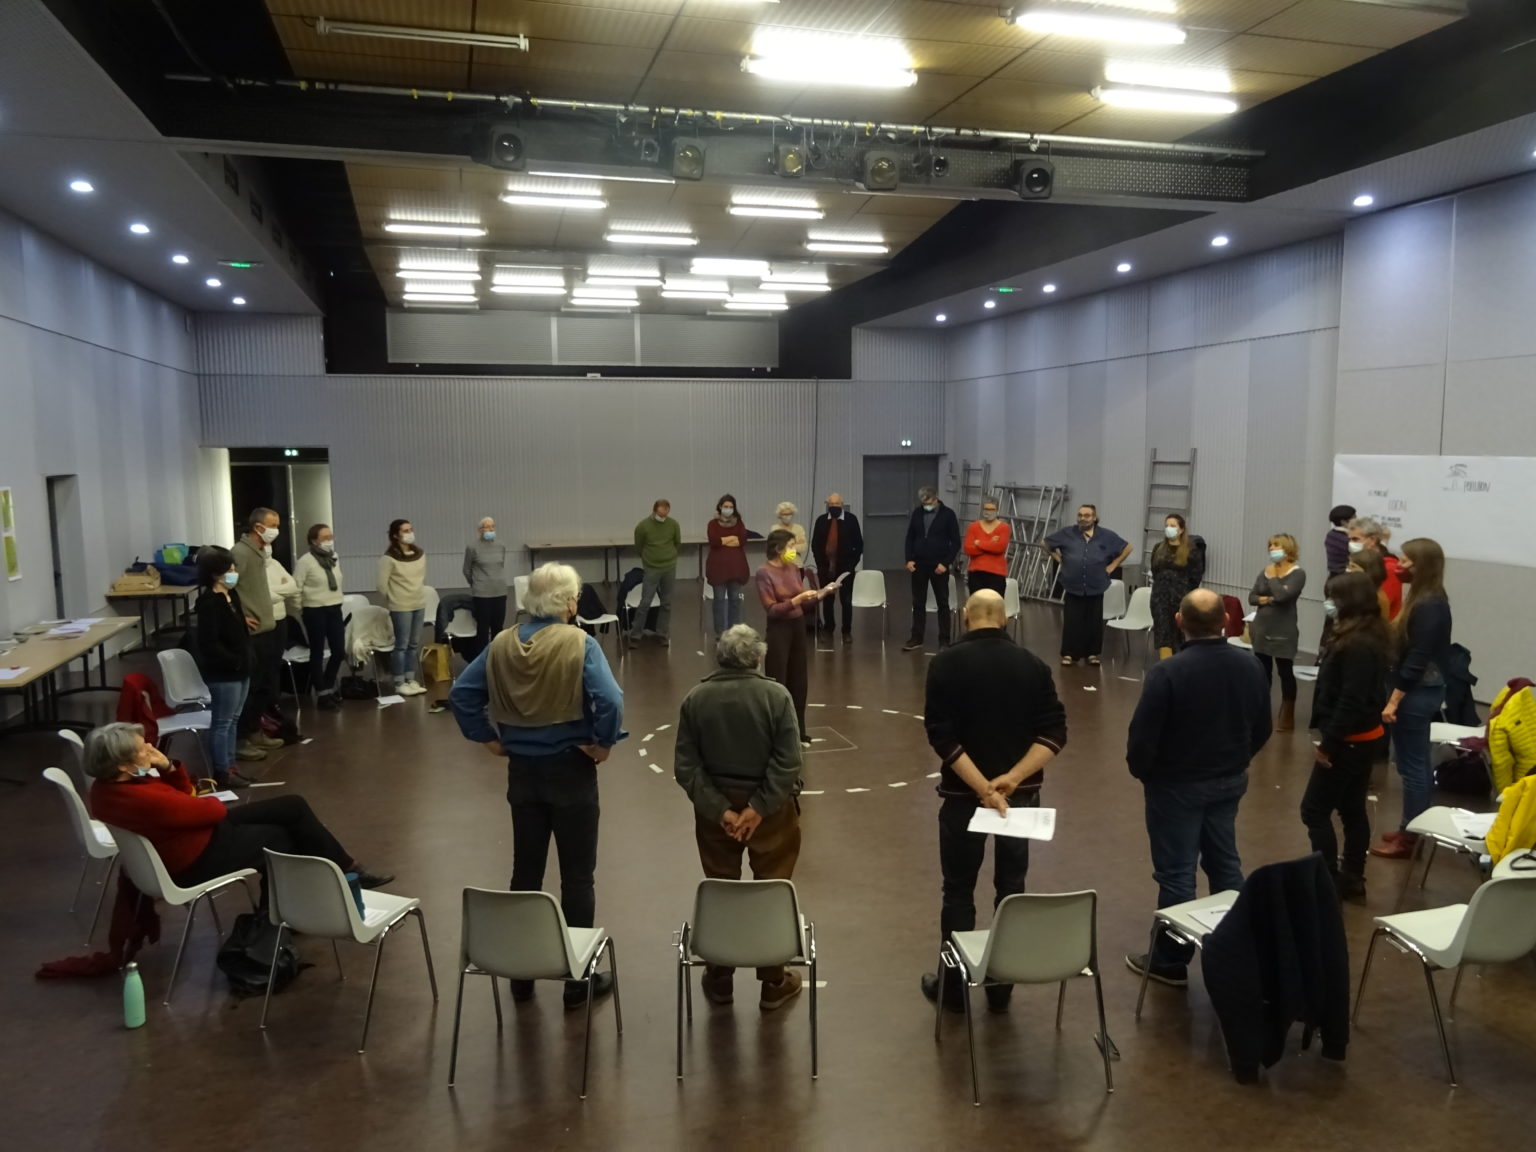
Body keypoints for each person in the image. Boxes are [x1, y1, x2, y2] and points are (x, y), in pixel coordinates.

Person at [449, 562, 624, 1007]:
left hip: (522, 772)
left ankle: (521, 973)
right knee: (577, 878)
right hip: (571, 769)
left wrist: (487, 737)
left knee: (525, 872)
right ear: (570, 603)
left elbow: (462, 694)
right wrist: (603, 743)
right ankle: (577, 981)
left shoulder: (501, 643)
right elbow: (609, 699)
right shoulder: (580, 643)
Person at [920, 590, 1066, 1014]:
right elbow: (1055, 732)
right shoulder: (1033, 666)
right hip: (1019, 801)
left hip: (962, 798)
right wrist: (1012, 780)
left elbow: (941, 736)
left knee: (958, 890)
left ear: (966, 616)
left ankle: (953, 987)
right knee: (1012, 888)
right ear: (1005, 619)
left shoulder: (945, 664)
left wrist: (982, 788)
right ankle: (1002, 985)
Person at [1125, 588, 1272, 987]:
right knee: (1225, 864)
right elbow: (1262, 728)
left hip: (1176, 786)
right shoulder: (1250, 666)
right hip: (1229, 781)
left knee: (1177, 874)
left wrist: (1147, 774)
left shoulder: (1168, 673)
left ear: (1178, 622)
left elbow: (1142, 740)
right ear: (1225, 621)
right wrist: (1237, 760)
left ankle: (1171, 960)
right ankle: (1236, 948)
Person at [86, 722, 389, 896]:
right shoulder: (144, 798)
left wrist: (167, 767)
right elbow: (207, 808)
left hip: (189, 840)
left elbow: (187, 799)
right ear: (123, 764)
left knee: (292, 807)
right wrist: (188, 791)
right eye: (144, 749)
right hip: (196, 857)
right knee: (283, 836)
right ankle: (288, 912)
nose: (152, 750)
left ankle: (341, 874)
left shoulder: (104, 790)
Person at [674, 625, 806, 1011]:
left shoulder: (696, 699)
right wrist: (758, 808)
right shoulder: (777, 696)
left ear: (720, 658)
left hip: (715, 816)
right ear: (758, 658)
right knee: (772, 890)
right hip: (772, 813)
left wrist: (722, 811)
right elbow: (789, 761)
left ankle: (720, 977)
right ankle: (774, 981)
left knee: (721, 889)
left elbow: (686, 767)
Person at [1301, 572, 1393, 901]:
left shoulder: (1356, 645)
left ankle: (1327, 879)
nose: (1328, 603)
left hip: (1350, 739)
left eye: (1332, 598)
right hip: (1363, 737)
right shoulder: (1368, 635)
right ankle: (1352, 876)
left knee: (1314, 810)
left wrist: (1329, 745)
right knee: (1352, 808)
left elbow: (1350, 700)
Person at [1371, 538, 1454, 861]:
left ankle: (1410, 838)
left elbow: (1417, 660)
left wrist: (1393, 701)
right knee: (1411, 763)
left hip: (1418, 693)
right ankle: (1410, 826)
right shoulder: (1422, 598)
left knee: (1414, 767)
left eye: (1406, 562)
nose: (1399, 566)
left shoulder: (1430, 605)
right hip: (1418, 690)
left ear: (1423, 566)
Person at [755, 528, 828, 746]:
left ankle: (799, 730)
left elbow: (803, 602)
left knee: (799, 681)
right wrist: (796, 601)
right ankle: (777, 733)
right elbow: (772, 609)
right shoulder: (764, 572)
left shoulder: (795, 569)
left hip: (797, 626)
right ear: (778, 549)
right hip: (779, 629)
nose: (794, 550)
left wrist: (821, 594)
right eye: (790, 546)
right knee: (779, 680)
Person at [193, 546, 256, 788]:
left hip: (242, 668)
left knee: (234, 719)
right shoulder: (210, 603)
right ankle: (222, 771)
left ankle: (231, 765)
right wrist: (234, 660)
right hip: (224, 673)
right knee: (222, 722)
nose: (234, 573)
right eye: (229, 570)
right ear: (215, 575)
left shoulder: (232, 596)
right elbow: (209, 643)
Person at [1044, 504, 1133, 667]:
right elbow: (1045, 543)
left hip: (1096, 584)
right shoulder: (1067, 533)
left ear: (1094, 518)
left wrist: (1113, 565)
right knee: (1072, 621)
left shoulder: (1106, 535)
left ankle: (1092, 654)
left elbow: (1127, 548)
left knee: (1094, 622)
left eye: (1086, 515)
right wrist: (1059, 559)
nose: (1082, 518)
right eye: (1080, 515)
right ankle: (1069, 654)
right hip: (1073, 584)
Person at [230, 508, 284, 761]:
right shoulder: (240, 553)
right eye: (272, 525)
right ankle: (241, 740)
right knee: (250, 689)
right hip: (253, 634)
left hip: (267, 628)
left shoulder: (260, 552)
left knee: (265, 686)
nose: (276, 530)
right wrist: (239, 617)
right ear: (257, 527)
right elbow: (225, 588)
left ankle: (255, 731)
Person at [1249, 533, 1306, 732]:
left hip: (1283, 630)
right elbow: (1252, 597)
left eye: (1276, 545)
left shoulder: (1298, 573)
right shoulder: (1264, 570)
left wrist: (1273, 579)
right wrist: (1268, 599)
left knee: (1285, 671)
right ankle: (1261, 712)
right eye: (1270, 545)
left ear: (1288, 548)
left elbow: (1283, 596)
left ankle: (1287, 714)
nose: (1272, 549)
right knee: (1262, 672)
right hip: (1261, 628)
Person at [902, 487, 962, 653]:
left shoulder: (948, 515)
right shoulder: (917, 513)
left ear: (936, 499)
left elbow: (956, 542)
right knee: (918, 602)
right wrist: (909, 559)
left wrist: (946, 563)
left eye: (928, 502)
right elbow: (910, 537)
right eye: (923, 503)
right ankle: (916, 638)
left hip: (939, 566)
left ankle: (944, 640)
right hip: (919, 565)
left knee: (942, 603)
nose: (926, 506)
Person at [294, 523, 346, 711]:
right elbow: (296, 587)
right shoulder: (305, 561)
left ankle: (328, 685)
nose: (329, 541)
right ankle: (323, 693)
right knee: (317, 651)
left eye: (330, 537)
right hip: (314, 610)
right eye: (324, 538)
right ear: (314, 540)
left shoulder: (334, 557)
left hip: (334, 607)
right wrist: (301, 609)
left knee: (339, 650)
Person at [377, 519, 428, 697]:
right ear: (395, 535)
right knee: (402, 644)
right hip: (401, 606)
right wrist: (395, 598)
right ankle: (399, 682)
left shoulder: (420, 554)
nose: (409, 533)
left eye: (410, 529)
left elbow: (421, 578)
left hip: (418, 603)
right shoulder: (388, 558)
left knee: (414, 643)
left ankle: (410, 678)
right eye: (405, 530)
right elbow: (381, 585)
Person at [1149, 514, 1205, 660]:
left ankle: (1181, 663)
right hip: (1160, 599)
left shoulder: (1191, 550)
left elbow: (1196, 576)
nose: (1169, 528)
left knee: (1180, 634)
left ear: (1181, 529)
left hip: (1181, 598)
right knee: (1163, 633)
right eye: (1167, 525)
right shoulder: (1158, 548)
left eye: (1173, 526)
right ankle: (1166, 664)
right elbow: (1155, 571)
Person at [810, 493, 864, 644]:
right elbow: (815, 544)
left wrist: (852, 564)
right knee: (827, 600)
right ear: (828, 505)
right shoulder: (821, 521)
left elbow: (859, 544)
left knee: (846, 600)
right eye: (831, 504)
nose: (834, 507)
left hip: (846, 569)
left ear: (842, 504)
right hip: (825, 568)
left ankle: (846, 631)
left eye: (837, 504)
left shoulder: (851, 520)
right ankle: (829, 629)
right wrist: (820, 564)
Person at [630, 498, 681, 647]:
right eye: (661, 510)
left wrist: (671, 556)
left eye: (666, 510)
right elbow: (638, 546)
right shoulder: (643, 526)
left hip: (669, 567)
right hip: (651, 568)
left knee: (666, 603)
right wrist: (647, 559)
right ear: (654, 510)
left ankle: (662, 633)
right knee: (645, 602)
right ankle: (635, 635)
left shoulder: (673, 524)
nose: (663, 513)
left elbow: (677, 543)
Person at [463, 516, 508, 660]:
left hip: (500, 591)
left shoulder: (501, 545)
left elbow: (501, 565)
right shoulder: (472, 547)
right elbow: (467, 570)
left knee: (498, 626)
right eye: (487, 527)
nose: (491, 529)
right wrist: (476, 584)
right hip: (482, 593)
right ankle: (482, 659)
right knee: (482, 629)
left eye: (492, 526)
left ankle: (497, 657)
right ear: (480, 530)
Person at [704, 495, 750, 635]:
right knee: (719, 600)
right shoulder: (713, 524)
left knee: (735, 600)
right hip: (718, 569)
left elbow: (742, 540)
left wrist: (724, 540)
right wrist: (731, 538)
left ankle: (734, 631)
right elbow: (714, 541)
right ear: (720, 507)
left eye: (731, 507)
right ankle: (720, 632)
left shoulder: (739, 523)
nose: (728, 509)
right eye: (726, 506)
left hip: (736, 568)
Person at [1348, 517, 1402, 619]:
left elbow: (1379, 606)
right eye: (1349, 539)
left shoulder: (1388, 568)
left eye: (1355, 539)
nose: (1351, 543)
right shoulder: (1357, 562)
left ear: (1372, 539)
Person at [963, 498, 1010, 597]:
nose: (988, 512)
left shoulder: (1004, 528)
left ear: (997, 510)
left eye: (992, 509)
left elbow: (1000, 548)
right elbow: (968, 549)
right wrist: (990, 543)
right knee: (977, 604)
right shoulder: (973, 527)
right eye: (986, 509)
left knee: (995, 604)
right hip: (976, 573)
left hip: (997, 574)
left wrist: (979, 543)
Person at [1324, 505, 1356, 576]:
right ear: (1343, 522)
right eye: (1354, 518)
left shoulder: (1331, 534)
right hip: (1344, 576)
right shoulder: (1343, 538)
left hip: (1334, 575)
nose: (1357, 521)